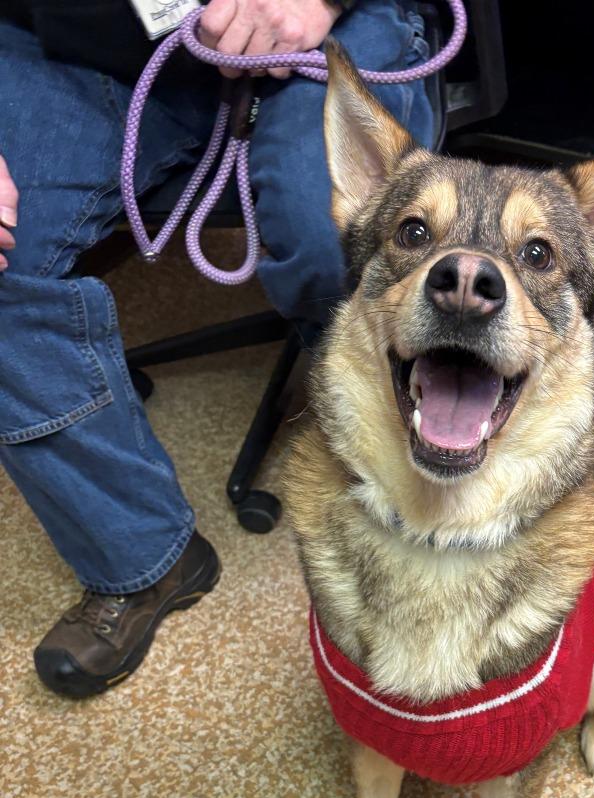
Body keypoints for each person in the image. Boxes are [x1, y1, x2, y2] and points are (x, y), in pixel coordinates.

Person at [0, 0, 436, 698]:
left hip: (326, 21)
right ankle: (142, 558)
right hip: (85, 41)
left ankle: (415, 478)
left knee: (341, 237)